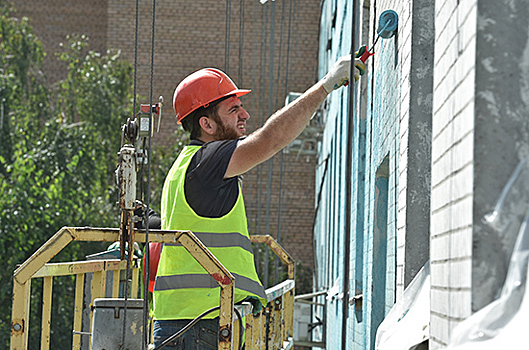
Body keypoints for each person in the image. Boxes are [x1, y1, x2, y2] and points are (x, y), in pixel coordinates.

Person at [152, 55, 365, 349]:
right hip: (200, 325)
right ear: (207, 124)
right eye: (233, 109)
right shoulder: (208, 162)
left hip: (186, 323)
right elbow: (269, 140)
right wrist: (325, 86)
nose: (245, 115)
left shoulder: (183, 167)